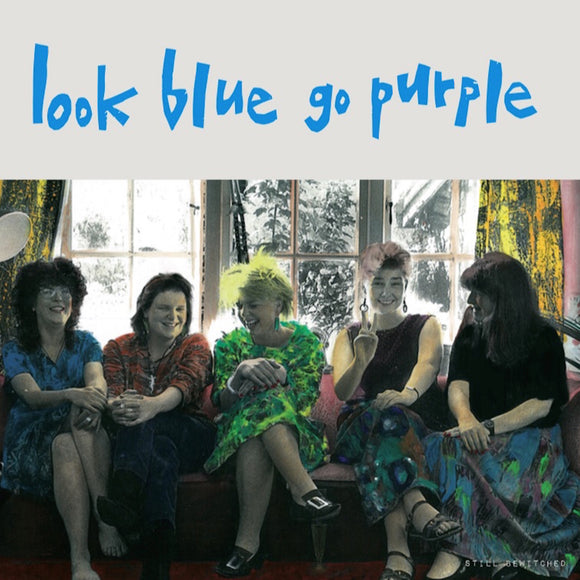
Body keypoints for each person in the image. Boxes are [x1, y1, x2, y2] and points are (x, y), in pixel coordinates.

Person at [423, 252, 580, 580]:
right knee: (440, 444)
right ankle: (474, 553)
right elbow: (457, 386)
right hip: (481, 436)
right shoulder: (470, 335)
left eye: (479, 293)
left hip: (532, 442)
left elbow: (542, 404)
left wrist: (489, 426)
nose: (471, 301)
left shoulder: (543, 338)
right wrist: (466, 419)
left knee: (467, 455)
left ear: (504, 297)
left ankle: (455, 553)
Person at [204, 250, 341, 578]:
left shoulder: (306, 343)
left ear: (278, 305)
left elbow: (304, 404)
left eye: (252, 304)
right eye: (240, 305)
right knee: (257, 424)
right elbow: (223, 404)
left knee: (266, 414)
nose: (244, 313)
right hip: (236, 436)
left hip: (296, 439)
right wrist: (239, 374)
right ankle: (305, 492)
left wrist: (284, 378)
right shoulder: (230, 345)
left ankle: (246, 547)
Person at [331, 241, 459, 580]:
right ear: (365, 284)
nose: (386, 292)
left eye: (395, 283)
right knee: (387, 420)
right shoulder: (348, 334)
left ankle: (398, 552)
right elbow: (342, 391)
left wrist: (406, 394)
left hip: (415, 426)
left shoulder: (425, 324)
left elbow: (428, 364)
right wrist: (361, 360)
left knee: (391, 430)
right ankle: (419, 507)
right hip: (360, 427)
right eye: (378, 282)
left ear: (406, 285)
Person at [1, 257, 126, 580]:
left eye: (65, 291)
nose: (59, 298)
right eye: (48, 290)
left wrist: (92, 400)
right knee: (77, 409)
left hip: (72, 440)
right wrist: (74, 395)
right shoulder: (14, 349)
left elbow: (97, 382)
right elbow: (31, 396)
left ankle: (80, 561)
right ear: (31, 302)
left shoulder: (86, 342)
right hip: (31, 441)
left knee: (66, 444)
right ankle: (104, 515)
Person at [96, 273, 216, 580]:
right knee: (161, 453)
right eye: (164, 308)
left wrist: (150, 406)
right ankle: (157, 560)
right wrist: (117, 406)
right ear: (146, 311)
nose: (173, 316)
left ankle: (125, 496)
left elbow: (186, 385)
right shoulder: (118, 348)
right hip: (144, 441)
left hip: (192, 433)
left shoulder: (195, 344)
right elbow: (111, 392)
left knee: (147, 419)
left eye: (180, 309)